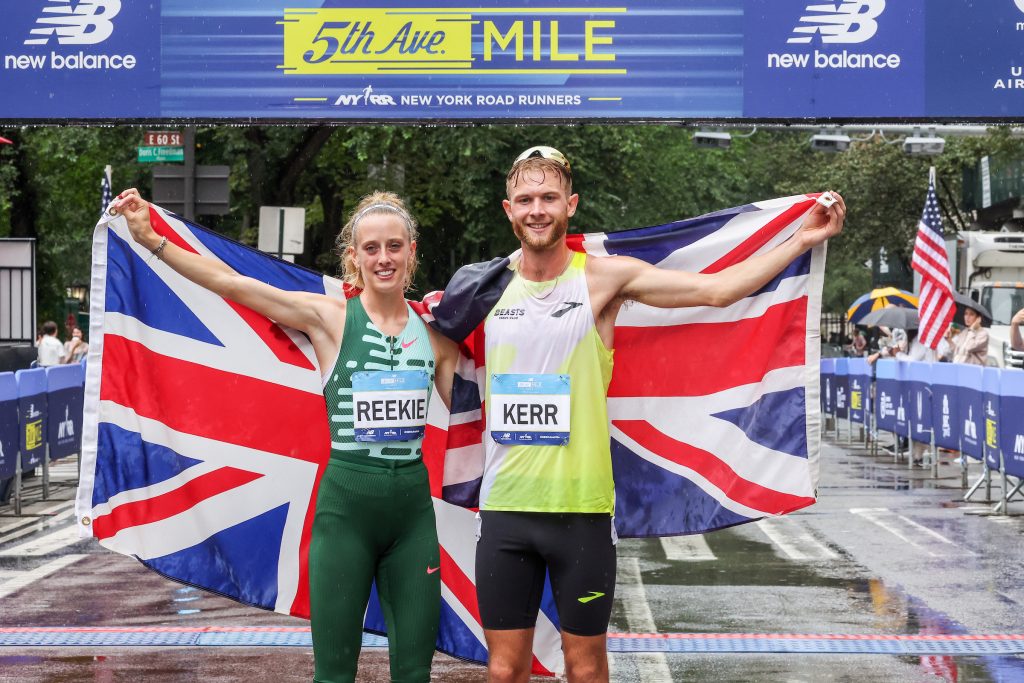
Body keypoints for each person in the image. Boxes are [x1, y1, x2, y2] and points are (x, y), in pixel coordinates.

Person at [444, 146, 845, 683]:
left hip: (581, 513)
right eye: (525, 200)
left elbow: (716, 291)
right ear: (508, 210)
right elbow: (419, 333)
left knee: (585, 668)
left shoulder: (605, 280)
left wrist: (800, 240)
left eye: (548, 197)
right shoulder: (482, 287)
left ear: (571, 205)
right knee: (504, 669)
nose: (537, 209)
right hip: (504, 510)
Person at [113, 188, 458, 683]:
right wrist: (151, 240)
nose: (384, 258)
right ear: (354, 258)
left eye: (395, 246)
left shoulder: (438, 340)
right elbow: (231, 283)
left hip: (412, 517)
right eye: (372, 248)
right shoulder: (328, 318)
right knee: (334, 673)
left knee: (413, 673)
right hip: (347, 515)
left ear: (412, 253)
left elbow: (478, 419)